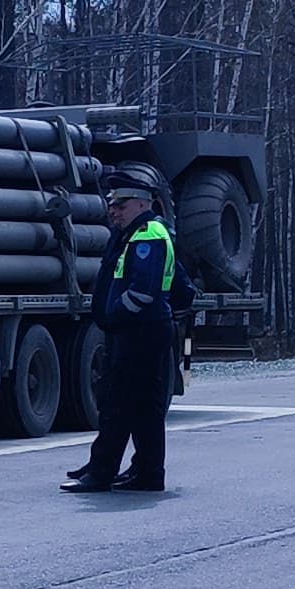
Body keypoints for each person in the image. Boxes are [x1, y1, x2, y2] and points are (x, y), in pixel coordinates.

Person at [66, 168, 196, 494]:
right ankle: (145, 471)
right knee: (142, 407)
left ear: (140, 204)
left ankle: (102, 472)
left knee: (119, 404)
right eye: (112, 205)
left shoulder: (148, 235)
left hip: (137, 332)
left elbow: (143, 291)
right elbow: (180, 286)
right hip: (144, 331)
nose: (113, 211)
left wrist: (116, 315)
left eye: (120, 206)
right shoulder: (138, 232)